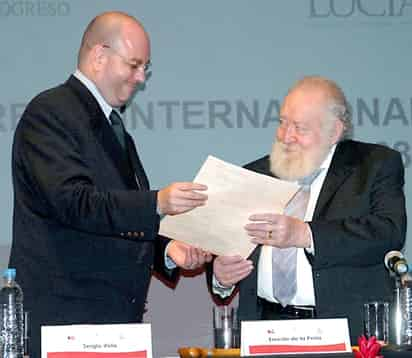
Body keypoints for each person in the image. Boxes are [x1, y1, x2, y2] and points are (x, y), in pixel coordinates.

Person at [9, 11, 211, 358]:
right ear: (99, 56)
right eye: (134, 65)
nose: (140, 78)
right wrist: (157, 203)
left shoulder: (114, 128)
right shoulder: (51, 113)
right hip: (66, 325)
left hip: (109, 326)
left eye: (145, 68)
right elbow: (75, 203)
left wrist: (166, 250)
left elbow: (115, 220)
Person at [209, 76, 407, 343]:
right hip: (263, 331)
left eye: (299, 128)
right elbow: (228, 248)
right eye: (282, 122)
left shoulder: (374, 166)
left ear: (334, 131)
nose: (285, 136)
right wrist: (221, 277)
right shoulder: (255, 174)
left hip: (342, 332)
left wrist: (305, 234)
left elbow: (388, 232)